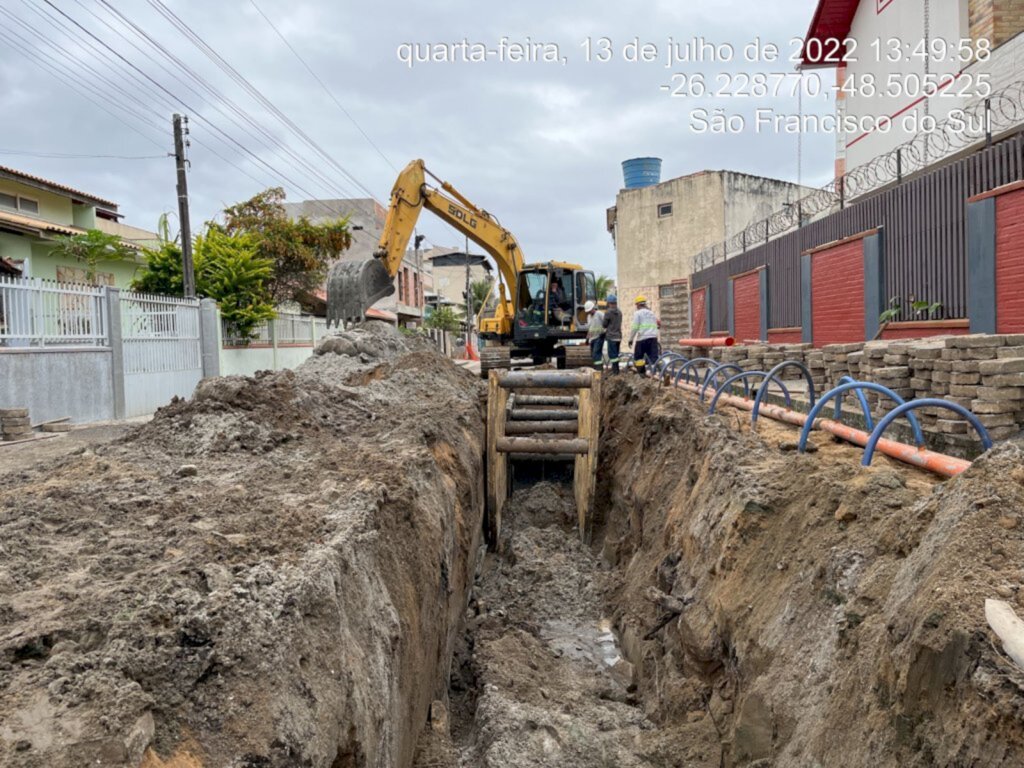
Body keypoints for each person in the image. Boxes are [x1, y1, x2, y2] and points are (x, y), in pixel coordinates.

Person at [628, 295, 660, 375]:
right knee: (653, 358)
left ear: (638, 304)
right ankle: (654, 375)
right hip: (653, 338)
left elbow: (635, 327)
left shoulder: (638, 313)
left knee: (638, 358)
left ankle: (641, 375)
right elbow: (657, 325)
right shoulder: (651, 313)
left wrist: (631, 339)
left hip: (642, 338)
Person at [602, 294, 623, 374]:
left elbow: (604, 324)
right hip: (618, 336)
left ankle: (615, 371)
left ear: (609, 303)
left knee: (612, 355)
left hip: (611, 336)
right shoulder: (619, 312)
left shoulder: (608, 312)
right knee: (616, 354)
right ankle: (616, 370)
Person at [584, 300, 605, 371]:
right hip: (592, 338)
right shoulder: (588, 317)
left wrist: (604, 331)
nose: (589, 312)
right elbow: (590, 328)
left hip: (599, 337)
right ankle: (597, 370)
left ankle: (599, 371)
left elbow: (606, 322)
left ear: (593, 308)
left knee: (596, 354)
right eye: (588, 311)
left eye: (590, 310)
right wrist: (587, 338)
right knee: (593, 355)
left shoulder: (599, 314)